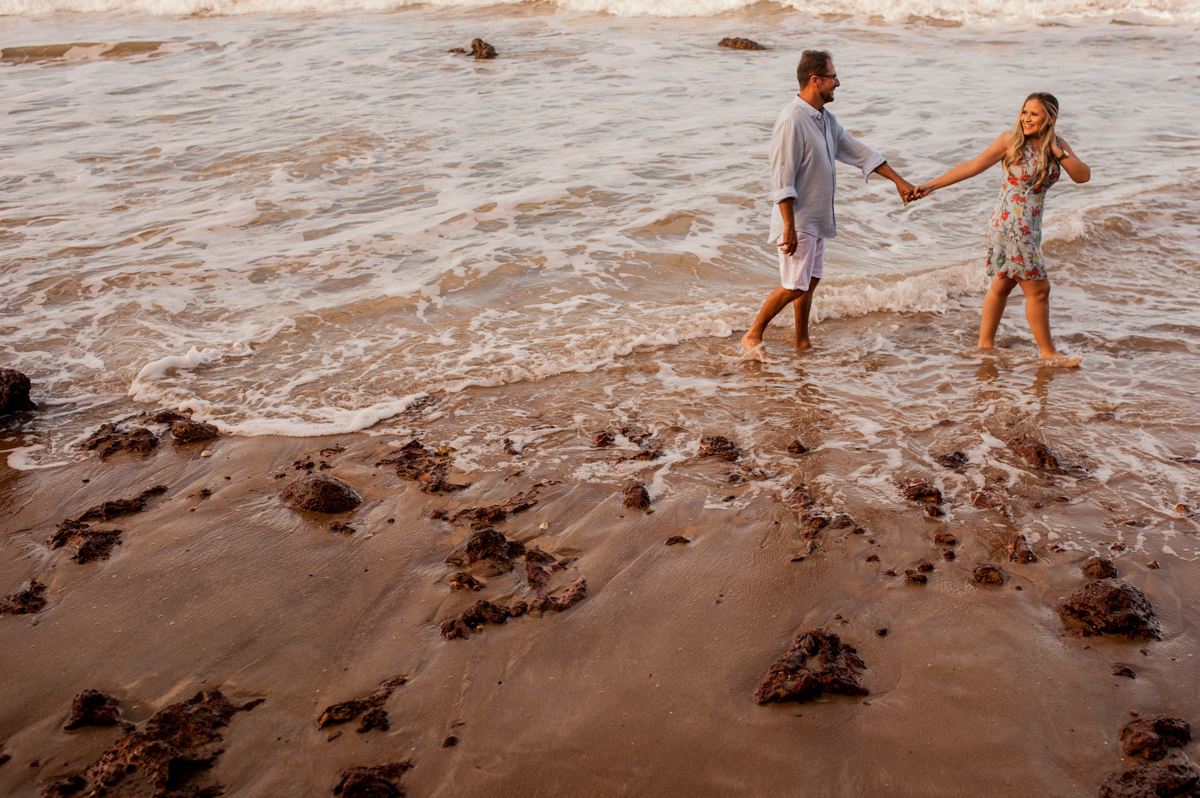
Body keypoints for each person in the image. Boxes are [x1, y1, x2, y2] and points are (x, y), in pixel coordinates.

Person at [741, 49, 916, 361]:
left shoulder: (825, 120)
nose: (838, 83)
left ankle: (802, 341)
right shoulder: (791, 120)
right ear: (815, 80)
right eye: (833, 77)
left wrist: (897, 180)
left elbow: (858, 151)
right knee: (794, 285)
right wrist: (789, 226)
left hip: (817, 220)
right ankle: (753, 333)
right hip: (797, 219)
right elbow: (782, 177)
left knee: (809, 282)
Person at [912, 92, 1090, 367]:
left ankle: (984, 347)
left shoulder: (1057, 145)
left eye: (1034, 114)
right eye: (1024, 112)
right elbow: (972, 166)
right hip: (1011, 226)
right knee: (1039, 290)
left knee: (1002, 285)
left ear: (1050, 118)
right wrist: (931, 186)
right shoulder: (1011, 141)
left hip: (1028, 227)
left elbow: (1082, 176)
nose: (1026, 118)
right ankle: (1049, 353)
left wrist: (1058, 152)